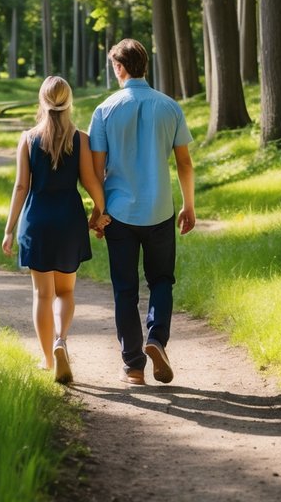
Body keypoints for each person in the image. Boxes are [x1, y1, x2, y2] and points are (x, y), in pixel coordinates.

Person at [88, 38, 195, 385]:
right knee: (161, 280)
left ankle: (133, 366)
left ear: (119, 67)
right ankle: (156, 339)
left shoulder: (104, 110)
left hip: (119, 213)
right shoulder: (169, 107)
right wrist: (189, 205)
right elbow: (184, 162)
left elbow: (96, 169)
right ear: (144, 65)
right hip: (160, 210)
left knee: (125, 288)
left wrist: (98, 211)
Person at [2, 75, 110, 385]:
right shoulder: (81, 138)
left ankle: (48, 358)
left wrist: (9, 228)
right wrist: (101, 212)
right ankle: (61, 340)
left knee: (42, 294)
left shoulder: (28, 138)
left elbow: (22, 186)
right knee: (65, 291)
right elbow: (91, 182)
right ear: (69, 100)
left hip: (37, 220)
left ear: (42, 100)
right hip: (69, 220)